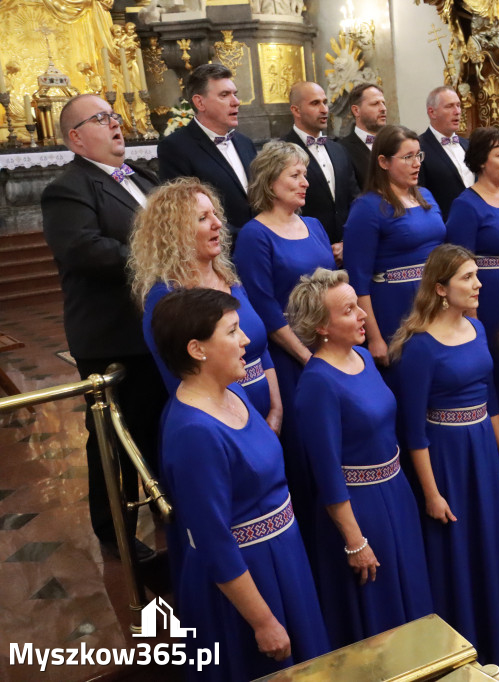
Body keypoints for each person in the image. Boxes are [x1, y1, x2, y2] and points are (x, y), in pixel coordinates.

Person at [152, 288, 328, 681]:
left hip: (283, 558)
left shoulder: (232, 391)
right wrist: (263, 621)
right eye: (232, 331)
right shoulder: (193, 432)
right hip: (247, 582)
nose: (246, 339)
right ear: (197, 349)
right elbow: (213, 542)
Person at [41, 93, 167, 561]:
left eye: (115, 116)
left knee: (158, 427)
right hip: (114, 335)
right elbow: (85, 251)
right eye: (101, 119)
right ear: (75, 138)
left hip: (160, 327)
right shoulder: (68, 188)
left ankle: (165, 506)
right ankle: (115, 530)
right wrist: (162, 258)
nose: (116, 124)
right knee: (114, 439)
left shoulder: (144, 176)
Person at [389, 246, 499, 665]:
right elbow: (413, 432)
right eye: (468, 277)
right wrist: (431, 494)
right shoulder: (418, 348)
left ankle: (497, 629)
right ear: (441, 288)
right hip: (447, 457)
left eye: (476, 275)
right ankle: (462, 642)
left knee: (490, 537)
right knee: (459, 548)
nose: (479, 283)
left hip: (483, 445)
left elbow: (492, 398)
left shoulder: (477, 328)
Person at [287, 269, 432, 648]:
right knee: (379, 610)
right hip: (360, 510)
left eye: (357, 306)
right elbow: (327, 473)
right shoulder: (317, 383)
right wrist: (355, 541)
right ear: (321, 326)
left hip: (396, 492)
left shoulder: (364, 357)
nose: (362, 315)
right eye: (349, 310)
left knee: (411, 592)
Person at [234, 140, 335, 538]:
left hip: (331, 348)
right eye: (295, 175)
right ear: (270, 182)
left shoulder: (314, 226)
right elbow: (264, 308)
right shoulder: (254, 235)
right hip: (294, 362)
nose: (305, 182)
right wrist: (309, 359)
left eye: (305, 173)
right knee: (308, 452)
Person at [129, 178, 282, 428]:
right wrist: (243, 424)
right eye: (203, 218)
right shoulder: (166, 298)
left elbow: (261, 351)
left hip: (266, 414)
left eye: (215, 214)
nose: (218, 224)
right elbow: (178, 378)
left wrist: (276, 409)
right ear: (175, 233)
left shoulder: (230, 279)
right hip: (218, 423)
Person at [345, 125, 447, 364]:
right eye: (407, 157)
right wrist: (375, 337)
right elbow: (358, 280)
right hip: (395, 307)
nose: (416, 163)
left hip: (435, 299)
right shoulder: (367, 208)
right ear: (383, 162)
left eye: (418, 155)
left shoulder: (426, 196)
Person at [446, 127, 499, 407]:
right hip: (490, 299)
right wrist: (472, 319)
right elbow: (460, 266)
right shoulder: (466, 205)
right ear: (482, 161)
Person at [158, 63, 257, 242]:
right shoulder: (175, 147)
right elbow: (185, 212)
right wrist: (246, 237)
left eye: (235, 94)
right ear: (199, 102)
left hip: (261, 248)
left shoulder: (245, 143)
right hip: (219, 251)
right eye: (224, 95)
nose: (236, 101)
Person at [282, 81, 361, 261]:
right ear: (296, 110)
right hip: (304, 252)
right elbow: (282, 207)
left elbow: (355, 200)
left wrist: (347, 242)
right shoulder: (281, 151)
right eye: (315, 103)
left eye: (325, 102)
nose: (324, 109)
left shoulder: (339, 149)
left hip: (347, 251)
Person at [418, 85, 474, 219]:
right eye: (449, 106)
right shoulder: (419, 147)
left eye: (458, 105)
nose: (457, 111)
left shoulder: (469, 145)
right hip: (445, 224)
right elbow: (419, 193)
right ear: (432, 112)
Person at [338, 82, 388, 189]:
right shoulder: (342, 149)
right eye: (375, 104)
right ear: (356, 110)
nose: (383, 108)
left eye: (383, 103)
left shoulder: (394, 143)